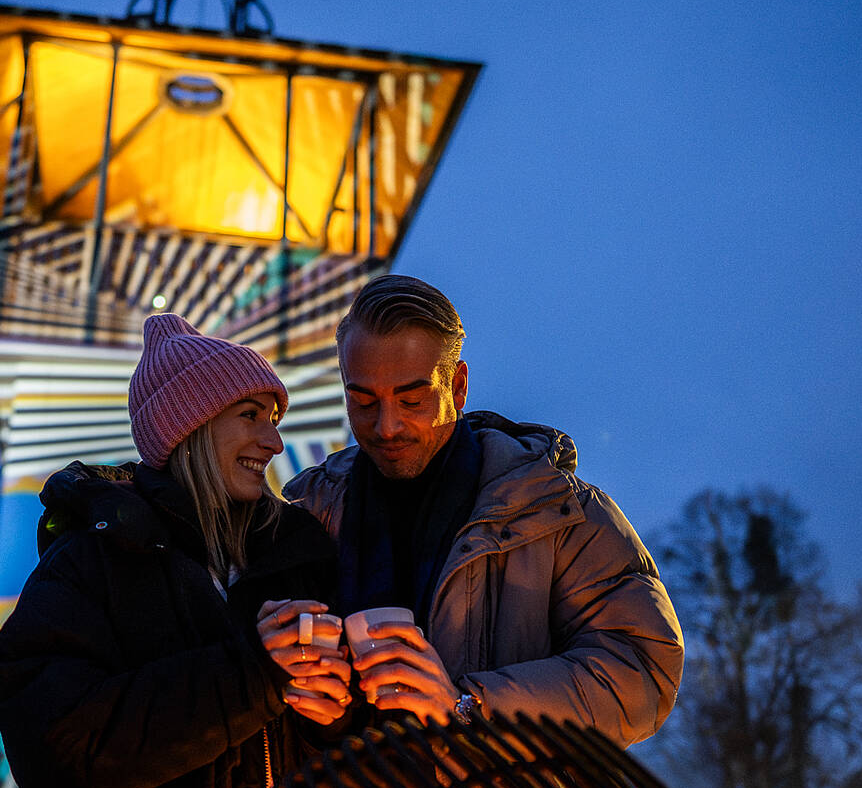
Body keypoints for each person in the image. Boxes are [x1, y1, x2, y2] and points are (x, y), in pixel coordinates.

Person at [0, 312, 352, 788]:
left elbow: (311, 759)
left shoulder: (294, 562)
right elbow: (56, 742)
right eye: (252, 415)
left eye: (276, 419)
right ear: (192, 426)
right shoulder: (89, 562)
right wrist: (253, 675)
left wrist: (334, 713)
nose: (275, 442)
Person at [274, 274, 685, 746]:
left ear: (458, 386)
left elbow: (642, 672)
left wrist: (468, 707)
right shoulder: (305, 511)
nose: (386, 426)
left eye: (412, 400)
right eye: (363, 401)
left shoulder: (560, 511)